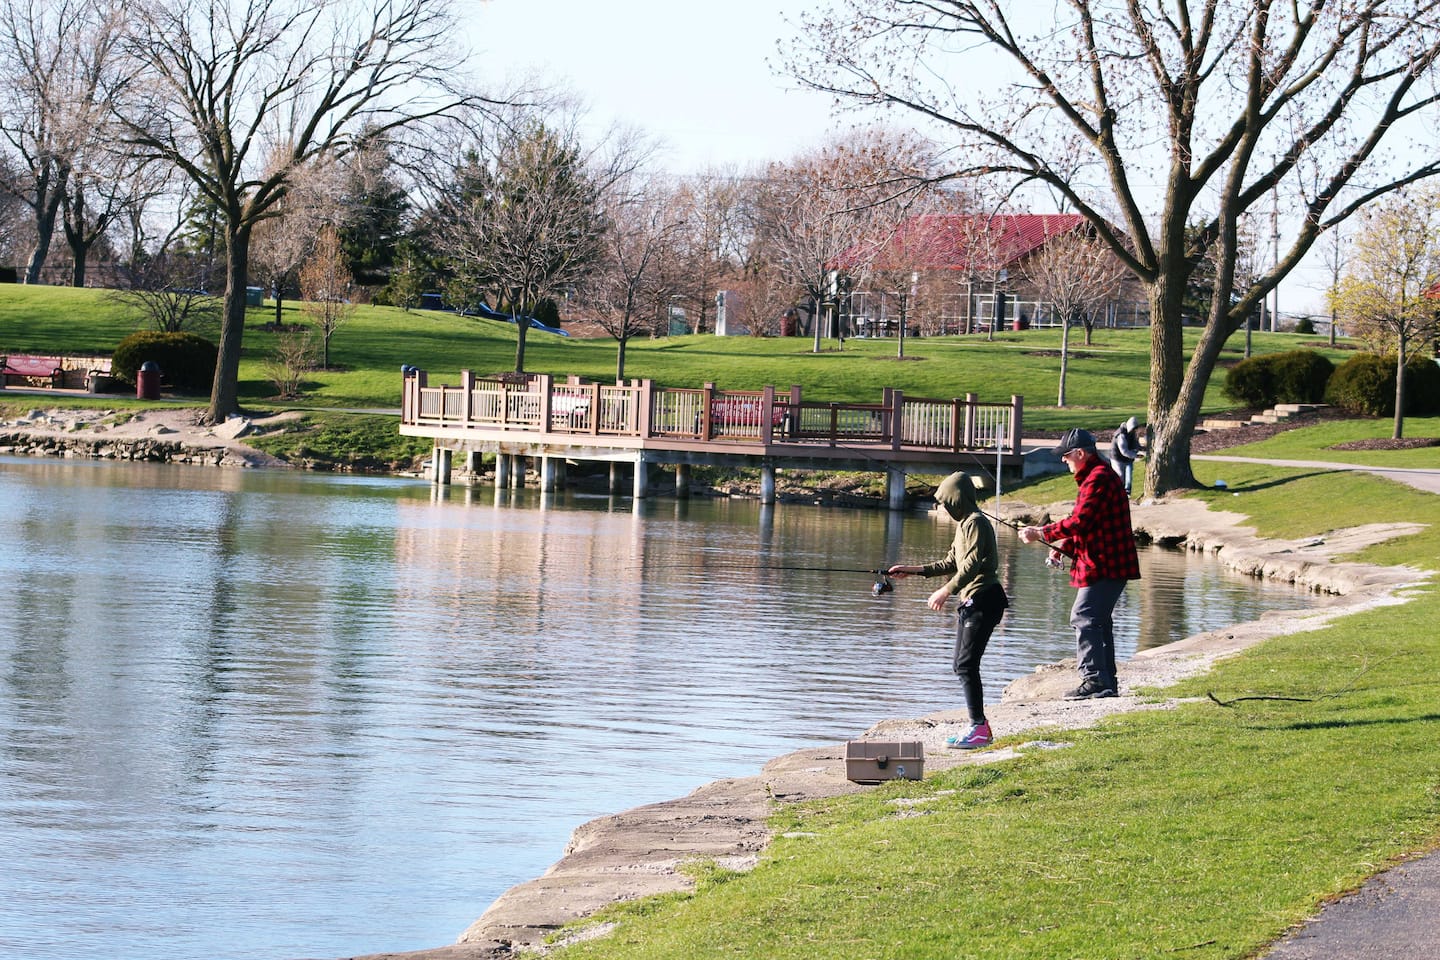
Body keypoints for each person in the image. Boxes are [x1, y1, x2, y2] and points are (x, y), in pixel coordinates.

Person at [887, 471, 1009, 749]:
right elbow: (951, 562)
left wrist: (946, 591)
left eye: (945, 501)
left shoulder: (976, 522)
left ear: (957, 499)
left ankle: (979, 728)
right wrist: (912, 570)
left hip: (985, 598)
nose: (943, 506)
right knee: (960, 664)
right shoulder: (964, 524)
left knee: (965, 664)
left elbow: (972, 565)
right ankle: (979, 726)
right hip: (973, 600)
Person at [1019, 428, 1141, 699]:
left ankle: (1095, 680)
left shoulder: (1098, 478)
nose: (1063, 460)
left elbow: (1080, 522)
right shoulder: (1095, 477)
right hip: (1106, 562)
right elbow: (1087, 524)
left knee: (1083, 616)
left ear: (1081, 454)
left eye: (1066, 455)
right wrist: (1064, 548)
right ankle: (1106, 683)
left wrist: (1041, 533)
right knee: (1098, 621)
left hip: (1106, 564)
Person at [1110, 416, 1143, 495]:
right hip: (1117, 458)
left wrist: (1141, 448)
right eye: (1134, 429)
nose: (1135, 431)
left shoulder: (1133, 433)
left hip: (1128, 459)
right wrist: (1135, 455)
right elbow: (1124, 451)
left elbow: (1136, 444)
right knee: (1120, 477)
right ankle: (1118, 493)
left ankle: (1127, 493)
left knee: (1129, 477)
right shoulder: (1121, 435)